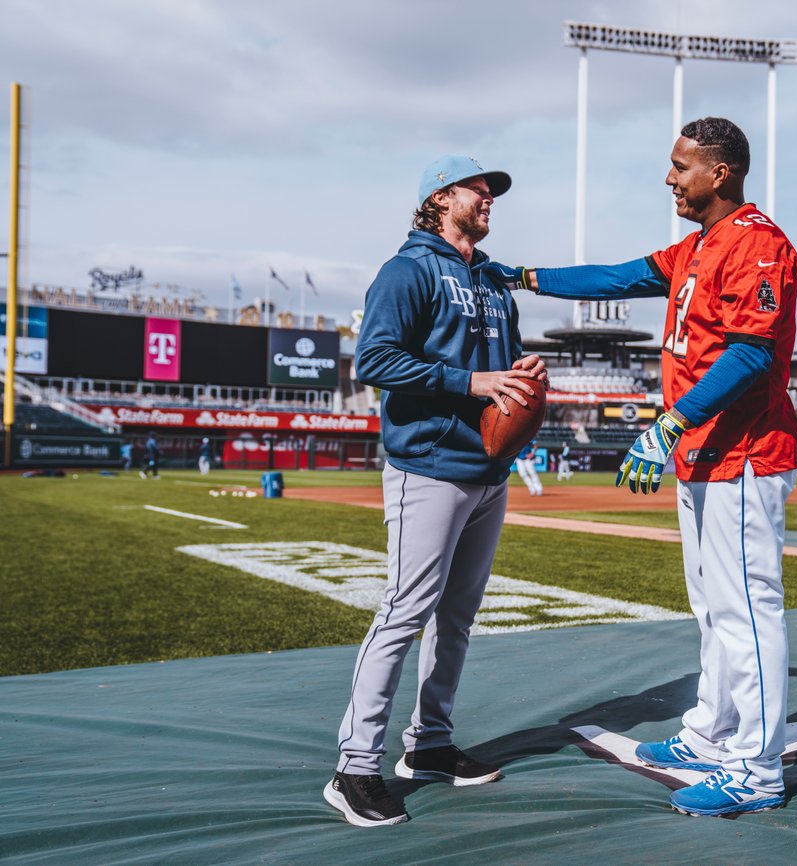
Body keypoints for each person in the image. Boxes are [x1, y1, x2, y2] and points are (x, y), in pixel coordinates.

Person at [487, 117, 797, 817]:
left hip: (745, 453)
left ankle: (757, 768)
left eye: (681, 166)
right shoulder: (699, 246)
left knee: (747, 611)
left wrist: (671, 421)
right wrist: (527, 275)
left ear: (720, 173)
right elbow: (622, 274)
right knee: (713, 606)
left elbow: (751, 355)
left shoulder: (759, 245)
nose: (670, 177)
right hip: (703, 455)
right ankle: (713, 734)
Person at [325, 154, 548, 828]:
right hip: (426, 465)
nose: (489, 199)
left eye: (491, 192)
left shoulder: (490, 278)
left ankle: (429, 745)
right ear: (438, 198)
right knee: (405, 610)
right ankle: (354, 766)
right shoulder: (408, 269)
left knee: (458, 617)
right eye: (478, 190)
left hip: (486, 471)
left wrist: (519, 373)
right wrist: (473, 383)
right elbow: (376, 360)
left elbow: (495, 371)